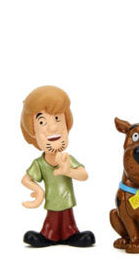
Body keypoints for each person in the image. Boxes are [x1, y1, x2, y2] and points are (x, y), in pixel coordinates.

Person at [20, 85, 95, 247]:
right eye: (42, 121)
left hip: (67, 202)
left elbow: (84, 175)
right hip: (52, 203)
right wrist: (39, 191)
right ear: (33, 132)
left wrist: (69, 171)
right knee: (52, 220)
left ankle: (70, 234)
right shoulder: (40, 163)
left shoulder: (67, 159)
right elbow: (25, 179)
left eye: (57, 118)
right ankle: (49, 235)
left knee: (67, 219)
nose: (53, 127)